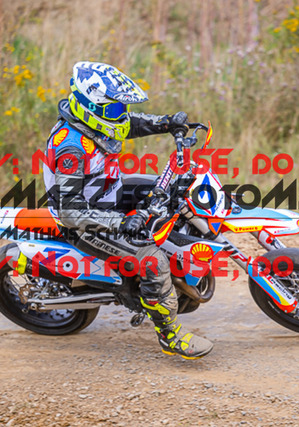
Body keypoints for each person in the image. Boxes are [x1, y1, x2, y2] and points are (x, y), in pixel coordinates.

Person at [42, 61, 213, 359]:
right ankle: (170, 336)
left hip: (110, 192)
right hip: (86, 222)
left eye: (122, 106)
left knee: (176, 190)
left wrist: (166, 123)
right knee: (152, 260)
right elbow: (70, 211)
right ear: (89, 106)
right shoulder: (71, 149)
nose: (120, 113)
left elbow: (126, 124)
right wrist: (121, 223)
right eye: (114, 108)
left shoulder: (95, 123)